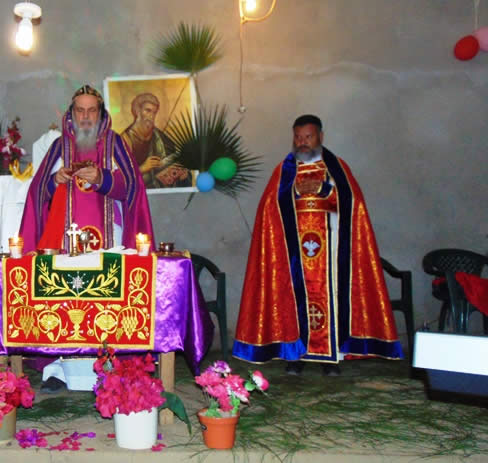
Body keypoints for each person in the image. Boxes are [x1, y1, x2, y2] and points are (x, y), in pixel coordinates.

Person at [232, 115, 403, 376]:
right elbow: (269, 207)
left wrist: (325, 190)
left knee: (332, 298)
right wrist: (293, 192)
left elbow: (353, 204)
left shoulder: (337, 168)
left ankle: (330, 359)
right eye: (298, 137)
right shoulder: (284, 170)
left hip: (330, 252)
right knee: (293, 299)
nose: (302, 142)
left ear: (320, 137)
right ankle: (295, 356)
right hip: (294, 253)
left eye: (308, 137)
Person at [18, 84, 154, 253]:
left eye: (92, 110)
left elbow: (132, 187)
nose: (85, 116)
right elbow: (37, 194)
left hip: (110, 234)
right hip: (65, 235)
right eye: (80, 110)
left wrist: (102, 179)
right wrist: (55, 181)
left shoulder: (115, 143)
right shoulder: (59, 146)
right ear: (72, 114)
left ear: (101, 113)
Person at [120, 93, 190, 189]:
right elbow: (120, 175)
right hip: (140, 190)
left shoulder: (158, 134)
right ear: (137, 111)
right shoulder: (125, 139)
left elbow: (174, 157)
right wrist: (143, 168)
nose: (151, 116)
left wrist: (182, 172)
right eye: (148, 111)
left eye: (154, 112)